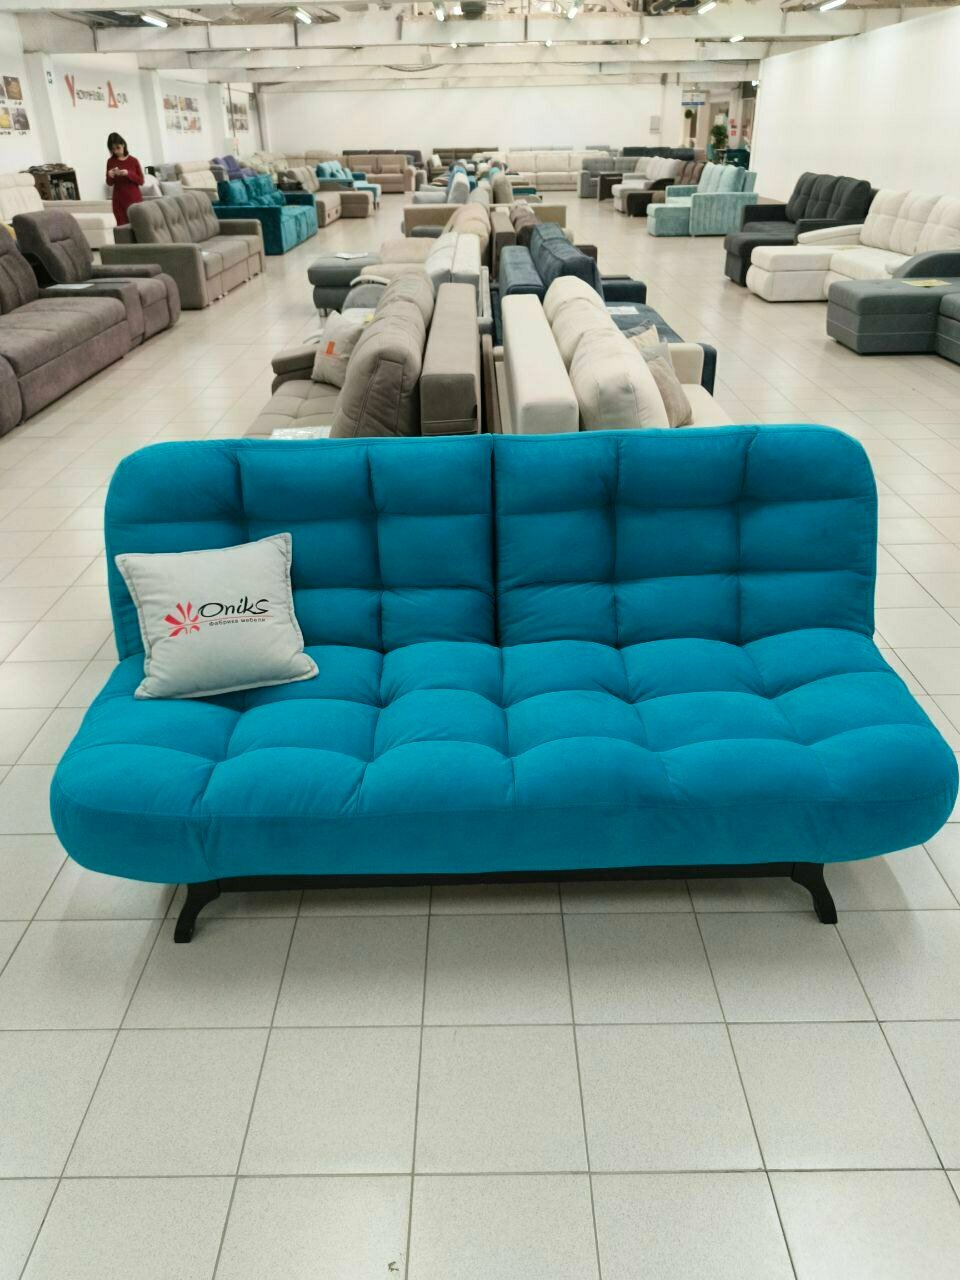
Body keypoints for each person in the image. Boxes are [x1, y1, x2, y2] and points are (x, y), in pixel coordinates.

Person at [105, 132, 144, 226]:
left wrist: (128, 173)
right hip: (118, 200)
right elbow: (109, 183)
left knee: (138, 226)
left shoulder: (133, 161)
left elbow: (141, 181)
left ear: (123, 144)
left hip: (134, 199)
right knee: (122, 228)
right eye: (113, 149)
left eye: (118, 148)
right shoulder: (110, 161)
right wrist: (109, 175)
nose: (116, 151)